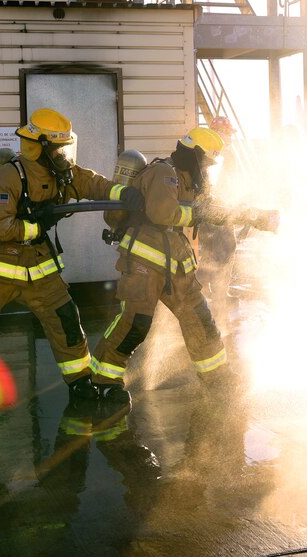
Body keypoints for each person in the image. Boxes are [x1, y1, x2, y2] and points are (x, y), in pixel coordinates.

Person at [0, 108, 144, 406]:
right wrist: (36, 226)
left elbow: (91, 182)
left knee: (66, 320)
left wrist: (121, 192)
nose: (64, 154)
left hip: (38, 267)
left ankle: (80, 380)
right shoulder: (8, 178)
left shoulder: (61, 172)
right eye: (59, 148)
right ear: (42, 146)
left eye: (65, 148)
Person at [90, 126, 279, 403]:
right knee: (135, 324)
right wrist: (198, 213)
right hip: (144, 261)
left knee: (200, 321)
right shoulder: (163, 173)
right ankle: (102, 381)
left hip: (176, 264)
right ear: (194, 155)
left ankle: (218, 379)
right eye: (206, 162)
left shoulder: (190, 182)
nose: (208, 168)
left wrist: (253, 216)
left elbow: (214, 210)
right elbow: (162, 213)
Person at [197, 116, 240, 317]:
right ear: (218, 133)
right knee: (213, 257)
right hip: (213, 217)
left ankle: (219, 293)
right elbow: (208, 189)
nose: (230, 138)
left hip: (224, 214)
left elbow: (233, 184)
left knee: (225, 253)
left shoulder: (226, 156)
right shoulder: (212, 156)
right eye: (227, 133)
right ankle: (201, 295)